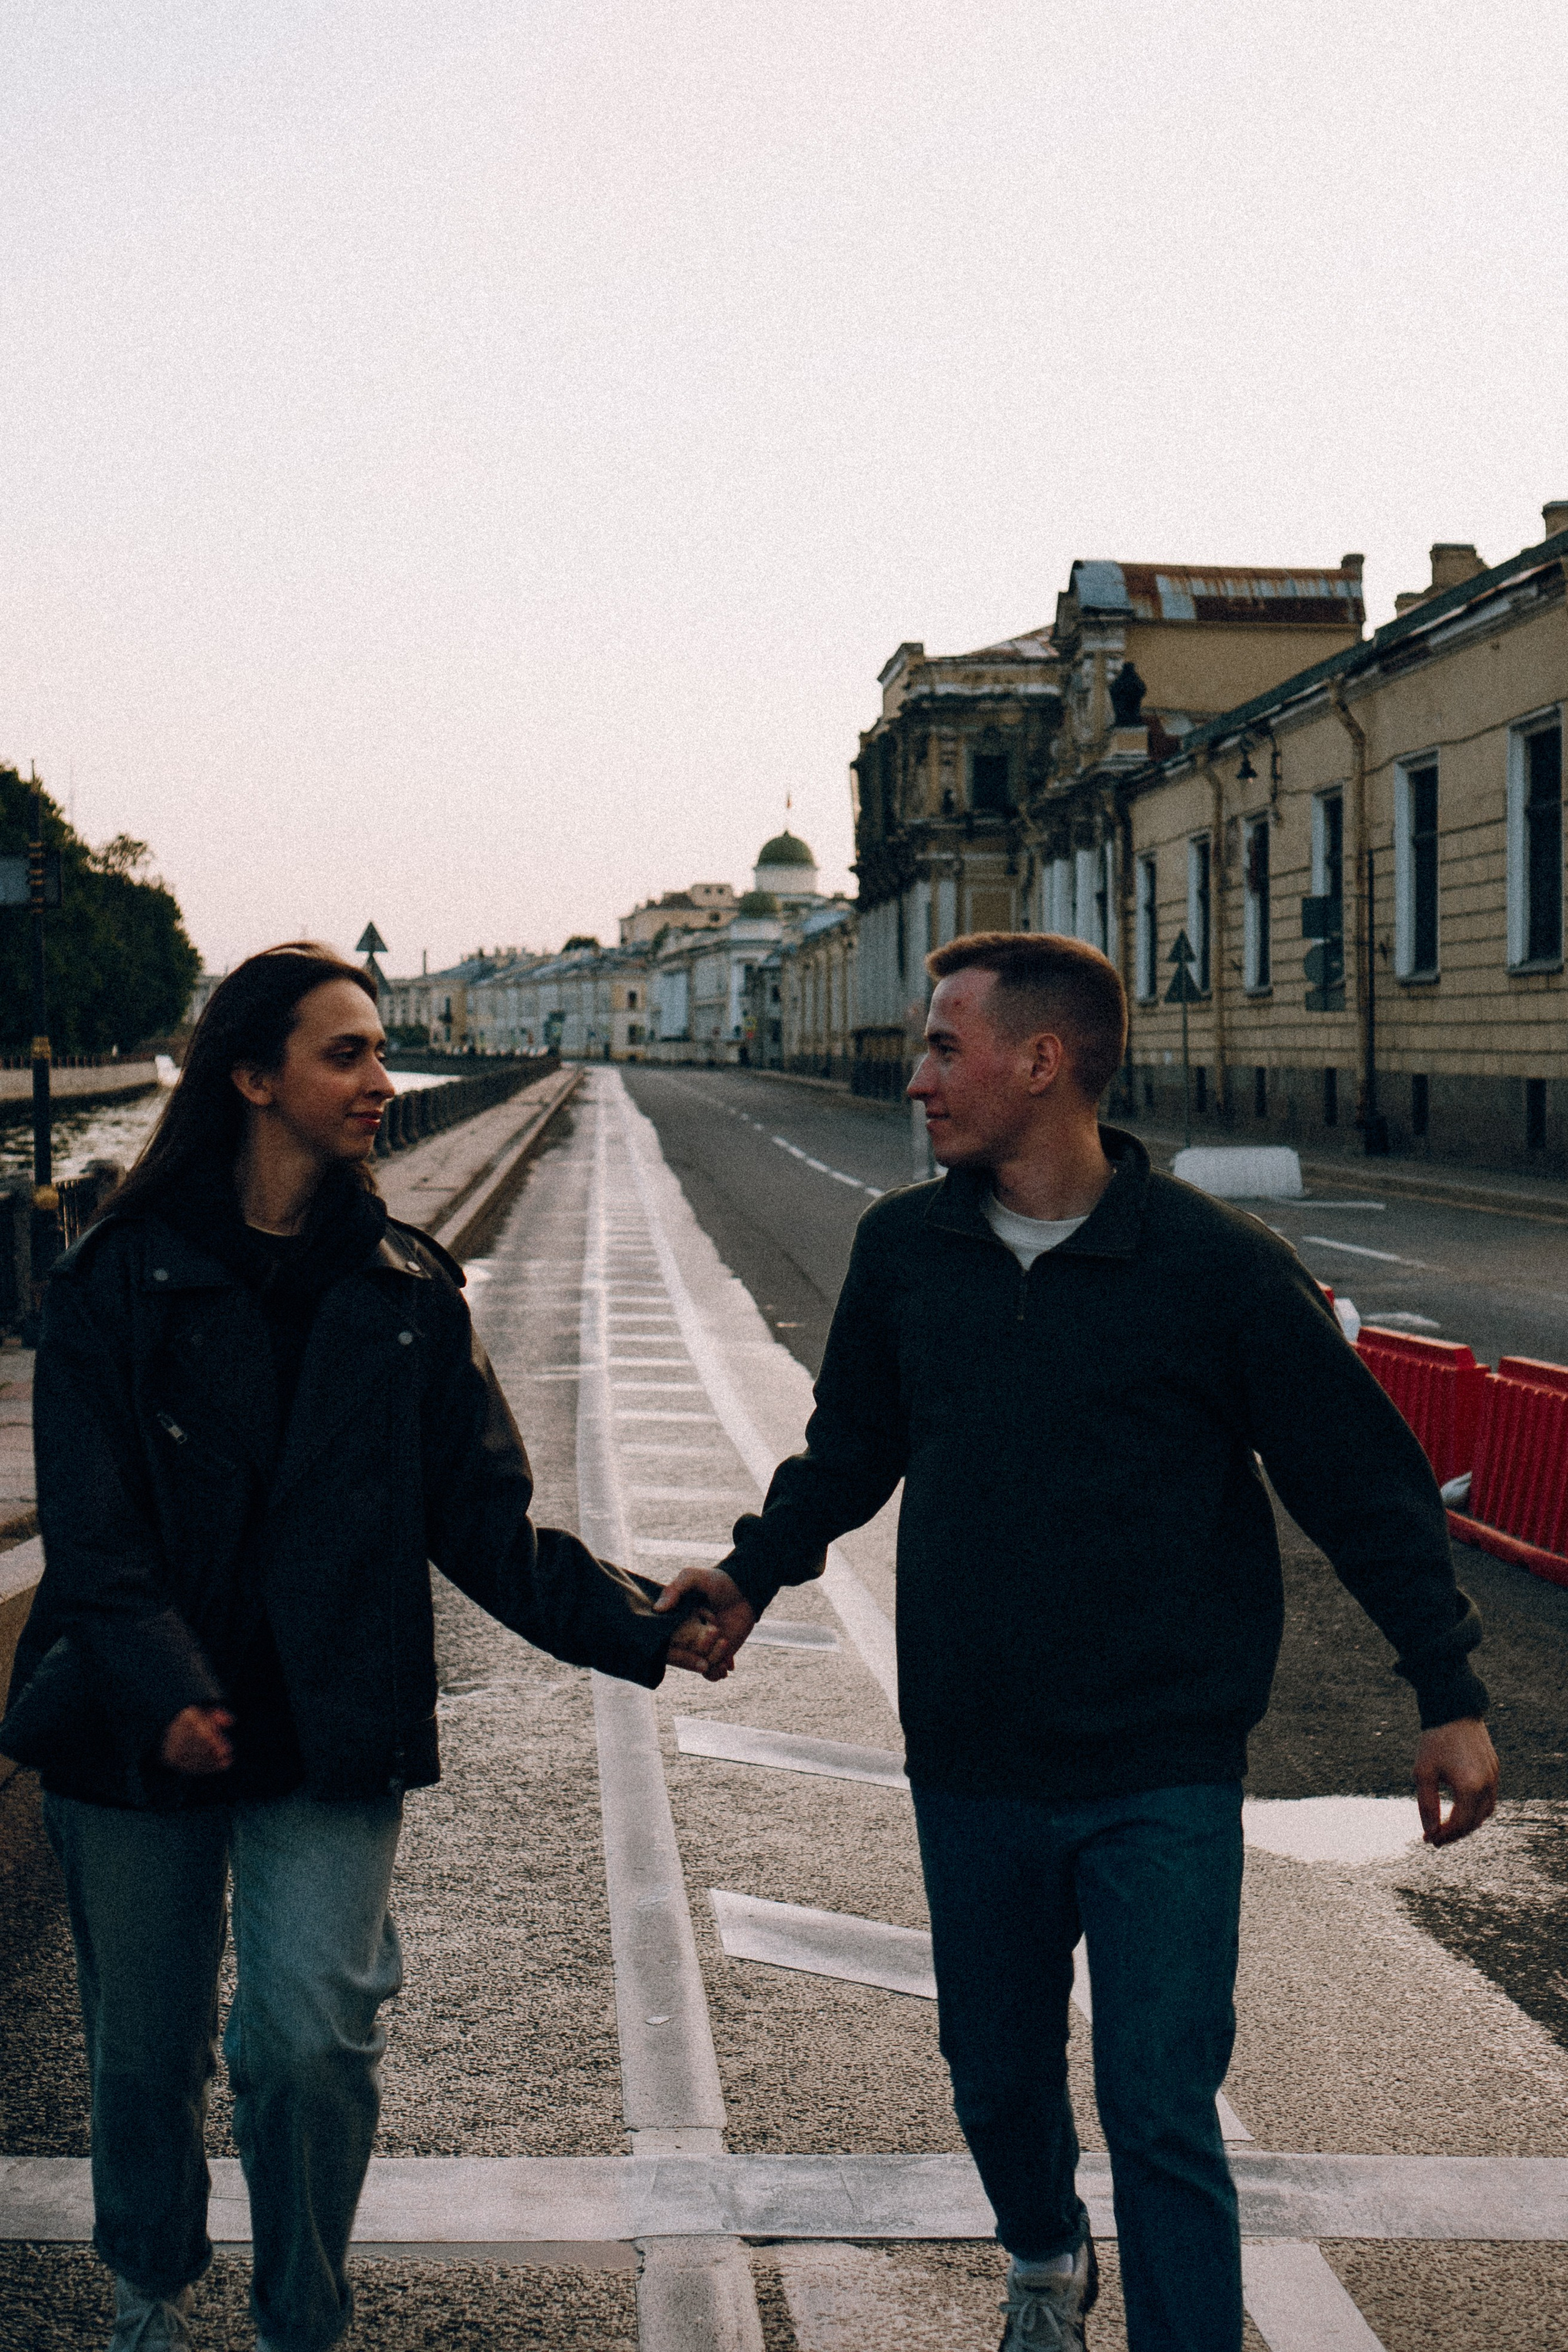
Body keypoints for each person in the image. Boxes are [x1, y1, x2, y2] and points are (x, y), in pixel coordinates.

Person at [658, 930, 1499, 2352]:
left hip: (1160, 1763)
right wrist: (749, 1577)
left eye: (944, 1046)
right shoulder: (904, 1251)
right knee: (990, 2074)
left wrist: (1447, 1689)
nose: (917, 1078)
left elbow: (1359, 1486)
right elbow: (850, 1447)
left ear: (1041, 1064)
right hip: (973, 1751)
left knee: (1159, 2097)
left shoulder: (1214, 1269)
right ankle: (1044, 2260)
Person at [1, 944, 728, 2352]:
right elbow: (94, 1545)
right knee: (142, 2061)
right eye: (347, 1055)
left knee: (306, 2044)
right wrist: (170, 1691)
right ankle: (146, 2291)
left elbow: (487, 1526)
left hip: (330, 1721)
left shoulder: (405, 1291)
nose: (383, 1084)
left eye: (383, 1053)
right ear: (252, 1076)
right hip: (133, 1729)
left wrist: (648, 1623)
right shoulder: (113, 1283)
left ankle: (299, 2319)